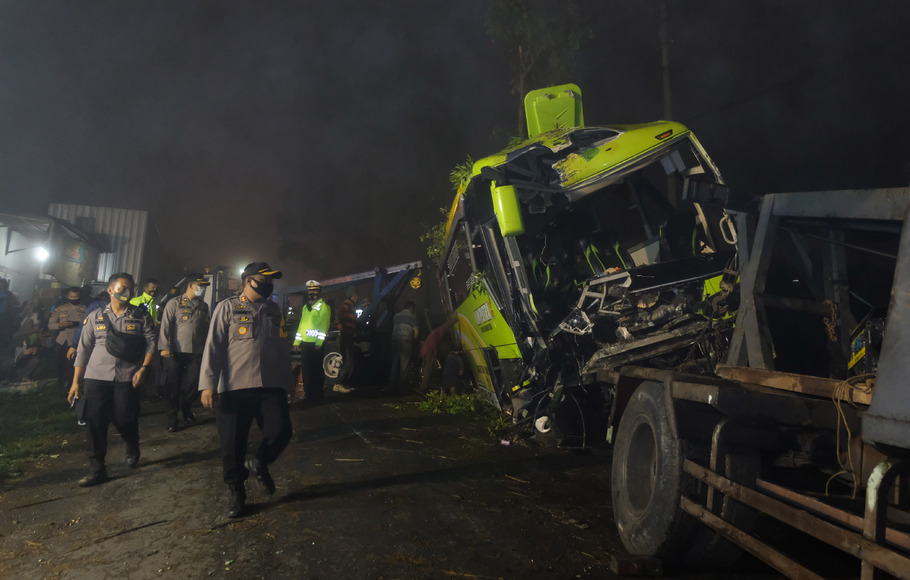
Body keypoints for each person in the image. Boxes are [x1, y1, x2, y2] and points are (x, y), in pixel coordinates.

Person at [199, 262, 294, 518]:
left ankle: (260, 461)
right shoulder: (227, 307)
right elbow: (213, 346)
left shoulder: (275, 311)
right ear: (249, 280)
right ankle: (236, 490)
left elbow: (282, 349)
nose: (269, 284)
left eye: (271, 280)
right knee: (232, 444)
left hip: (270, 385)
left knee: (282, 430)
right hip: (234, 386)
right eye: (265, 279)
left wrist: (288, 382)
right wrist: (208, 384)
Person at [68, 273, 157, 487]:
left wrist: (144, 368)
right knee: (95, 423)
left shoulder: (140, 316)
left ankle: (131, 443)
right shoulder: (95, 316)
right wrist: (75, 382)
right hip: (96, 377)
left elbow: (152, 342)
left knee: (124, 419)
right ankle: (97, 469)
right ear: (110, 290)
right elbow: (83, 349)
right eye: (122, 288)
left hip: (127, 377)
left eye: (130, 288)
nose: (127, 292)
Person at [159, 274, 211, 431]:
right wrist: (165, 347)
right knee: (172, 385)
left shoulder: (203, 306)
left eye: (204, 286)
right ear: (190, 285)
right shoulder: (174, 303)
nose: (202, 289)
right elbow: (165, 326)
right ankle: (172, 417)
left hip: (196, 351)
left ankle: (186, 406)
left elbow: (205, 329)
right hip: (174, 352)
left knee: (194, 383)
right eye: (199, 285)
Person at [292, 280, 331, 405]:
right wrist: (297, 341)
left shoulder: (323, 307)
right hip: (306, 344)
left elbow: (323, 327)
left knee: (316, 371)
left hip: (316, 345)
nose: (311, 293)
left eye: (314, 290)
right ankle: (309, 395)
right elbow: (302, 326)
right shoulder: (306, 307)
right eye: (309, 290)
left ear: (319, 292)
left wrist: (319, 343)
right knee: (307, 371)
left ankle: (317, 395)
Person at [47, 287, 86, 392]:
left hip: (76, 341)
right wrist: (60, 325)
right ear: (67, 297)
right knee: (61, 364)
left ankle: (68, 386)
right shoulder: (60, 309)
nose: (74, 298)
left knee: (72, 365)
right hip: (62, 341)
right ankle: (60, 383)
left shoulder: (84, 309)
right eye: (71, 297)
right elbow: (50, 325)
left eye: (76, 297)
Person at [388, 301, 418, 395]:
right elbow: (416, 332)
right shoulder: (412, 317)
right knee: (404, 365)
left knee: (395, 365)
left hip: (395, 341)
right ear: (411, 308)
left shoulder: (396, 316)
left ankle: (392, 387)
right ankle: (402, 389)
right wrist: (413, 341)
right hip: (406, 342)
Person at [333, 285, 358, 394]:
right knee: (349, 360)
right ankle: (338, 384)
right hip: (346, 335)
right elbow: (339, 311)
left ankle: (343, 384)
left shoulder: (351, 305)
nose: (357, 297)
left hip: (348, 334)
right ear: (352, 295)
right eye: (356, 295)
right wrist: (342, 325)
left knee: (348, 360)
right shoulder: (348, 303)